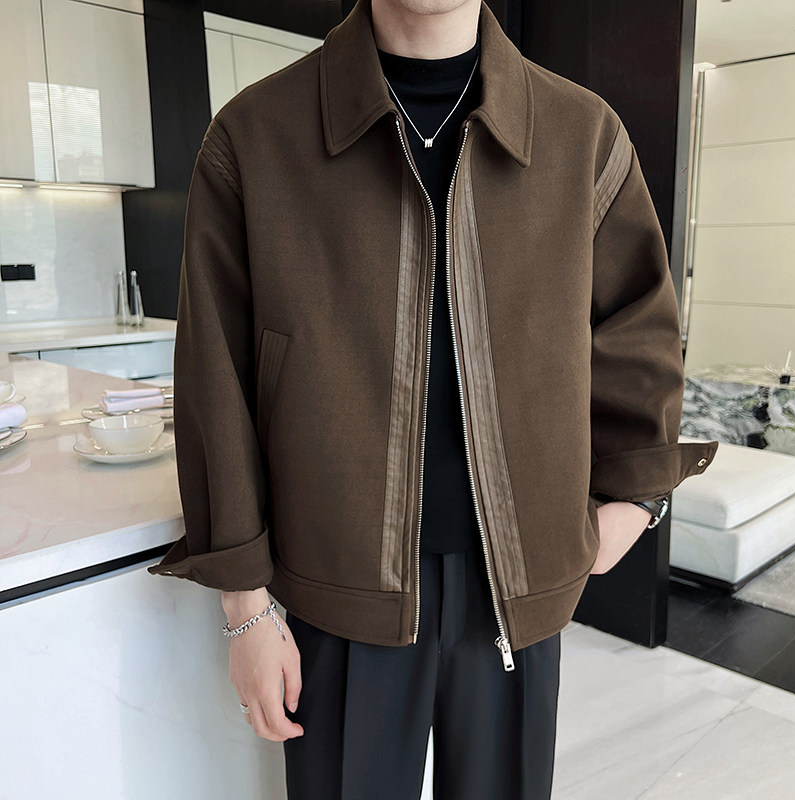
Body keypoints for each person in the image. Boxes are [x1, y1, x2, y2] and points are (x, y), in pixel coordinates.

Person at [148, 0, 719, 797]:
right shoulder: (256, 136)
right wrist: (245, 607)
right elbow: (217, 379)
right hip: (335, 587)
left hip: (514, 589)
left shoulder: (581, 134)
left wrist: (634, 497)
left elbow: (639, 328)